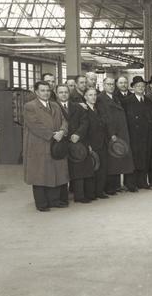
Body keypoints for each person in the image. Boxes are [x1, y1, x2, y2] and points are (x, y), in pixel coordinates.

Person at [23, 81, 69, 212]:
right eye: (42, 90)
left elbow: (64, 120)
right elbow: (35, 125)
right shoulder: (29, 106)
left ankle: (55, 201)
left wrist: (62, 131)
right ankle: (41, 203)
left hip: (55, 144)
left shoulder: (55, 105)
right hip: (39, 145)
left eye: (48, 90)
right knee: (40, 174)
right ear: (36, 92)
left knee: (55, 172)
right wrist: (52, 135)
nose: (46, 93)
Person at [96, 77, 134, 195]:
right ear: (103, 85)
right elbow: (104, 118)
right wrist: (111, 133)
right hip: (112, 134)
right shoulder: (101, 99)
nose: (111, 86)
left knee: (118, 159)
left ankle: (116, 185)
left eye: (112, 84)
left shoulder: (115, 97)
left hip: (121, 132)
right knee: (112, 161)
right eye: (108, 84)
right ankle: (110, 187)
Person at [57, 84, 94, 203]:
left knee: (79, 169)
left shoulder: (77, 107)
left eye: (66, 92)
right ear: (57, 94)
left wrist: (78, 134)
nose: (63, 94)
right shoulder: (53, 107)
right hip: (60, 142)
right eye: (61, 92)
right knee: (61, 170)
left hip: (77, 141)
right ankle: (61, 198)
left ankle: (80, 196)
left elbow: (85, 122)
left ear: (69, 93)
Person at [124, 76, 152, 191]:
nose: (141, 88)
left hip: (146, 135)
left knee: (144, 159)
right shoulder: (127, 101)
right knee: (133, 160)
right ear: (133, 87)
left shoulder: (148, 101)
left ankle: (142, 182)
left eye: (142, 86)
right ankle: (131, 184)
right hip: (133, 135)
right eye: (138, 86)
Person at [84, 87, 109, 199]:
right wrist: (87, 144)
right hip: (91, 144)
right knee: (91, 168)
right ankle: (91, 193)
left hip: (102, 143)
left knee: (102, 168)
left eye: (94, 95)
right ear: (85, 97)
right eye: (90, 95)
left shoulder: (98, 109)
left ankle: (99, 191)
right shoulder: (83, 109)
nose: (93, 97)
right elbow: (83, 129)